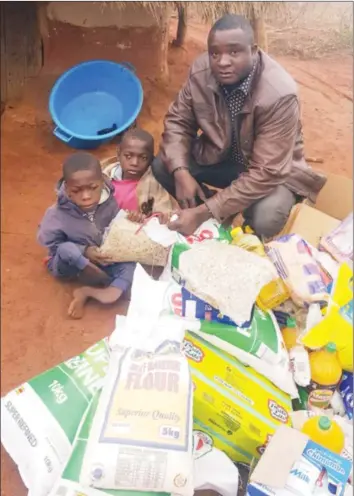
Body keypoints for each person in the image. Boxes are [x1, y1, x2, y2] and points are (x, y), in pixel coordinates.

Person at [152, 14, 327, 237]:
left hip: (272, 172)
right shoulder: (200, 72)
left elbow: (266, 171)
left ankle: (210, 214)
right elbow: (178, 122)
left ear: (253, 50)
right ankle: (208, 217)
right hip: (221, 158)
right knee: (163, 165)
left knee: (267, 217)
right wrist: (181, 172)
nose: (223, 62)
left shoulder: (279, 93)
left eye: (234, 52)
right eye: (215, 53)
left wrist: (207, 210)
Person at [37, 152, 136, 319]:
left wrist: (130, 220)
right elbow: (51, 244)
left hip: (100, 258)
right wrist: (84, 251)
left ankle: (91, 292)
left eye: (93, 188)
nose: (86, 196)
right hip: (69, 265)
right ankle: (98, 276)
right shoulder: (56, 214)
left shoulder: (109, 202)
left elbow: (116, 226)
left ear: (102, 182)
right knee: (67, 249)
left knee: (131, 264)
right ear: (68, 190)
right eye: (77, 190)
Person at [103, 127, 177, 220]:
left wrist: (143, 218)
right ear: (118, 154)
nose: (135, 163)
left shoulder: (154, 184)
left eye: (143, 158)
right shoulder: (105, 177)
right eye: (128, 156)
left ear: (151, 159)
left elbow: (164, 214)